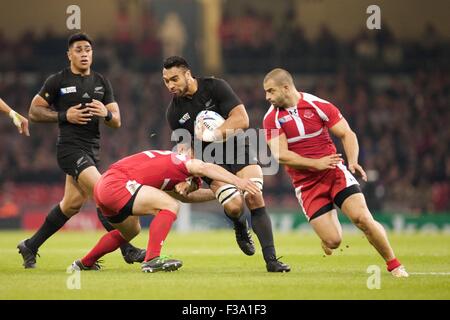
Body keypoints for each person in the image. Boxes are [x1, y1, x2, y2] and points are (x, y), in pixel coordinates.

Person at [262, 68, 408, 277]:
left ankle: (395, 265)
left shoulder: (318, 105)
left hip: (334, 172)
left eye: (271, 91)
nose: (267, 97)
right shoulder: (271, 119)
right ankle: (327, 238)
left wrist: (353, 160)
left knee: (362, 219)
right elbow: (281, 155)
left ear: (286, 88)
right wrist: (315, 163)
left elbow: (347, 133)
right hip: (306, 185)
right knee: (333, 241)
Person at [17, 32, 145, 269]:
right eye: (78, 50)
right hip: (70, 150)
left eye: (87, 49)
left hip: (91, 152)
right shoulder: (58, 81)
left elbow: (116, 121)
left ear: (92, 54)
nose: (84, 53)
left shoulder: (101, 82)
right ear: (69, 55)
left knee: (71, 205)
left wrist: (105, 113)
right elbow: (34, 112)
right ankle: (127, 249)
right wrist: (65, 115)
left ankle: (30, 245)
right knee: (103, 193)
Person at [163, 56, 290, 272]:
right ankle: (239, 224)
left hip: (238, 147)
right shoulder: (173, 112)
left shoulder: (215, 87)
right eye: (166, 81)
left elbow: (242, 119)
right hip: (209, 159)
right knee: (234, 206)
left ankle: (272, 261)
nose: (170, 85)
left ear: (187, 73)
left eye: (174, 79)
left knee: (253, 194)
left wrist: (214, 133)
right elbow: (187, 149)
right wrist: (192, 177)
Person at [71, 149, 260, 273]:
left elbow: (185, 196)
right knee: (170, 206)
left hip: (105, 186)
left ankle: (84, 262)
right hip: (118, 184)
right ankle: (152, 259)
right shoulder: (183, 161)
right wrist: (238, 182)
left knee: (130, 231)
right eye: (194, 182)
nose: (191, 185)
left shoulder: (169, 172)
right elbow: (203, 167)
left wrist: (219, 193)